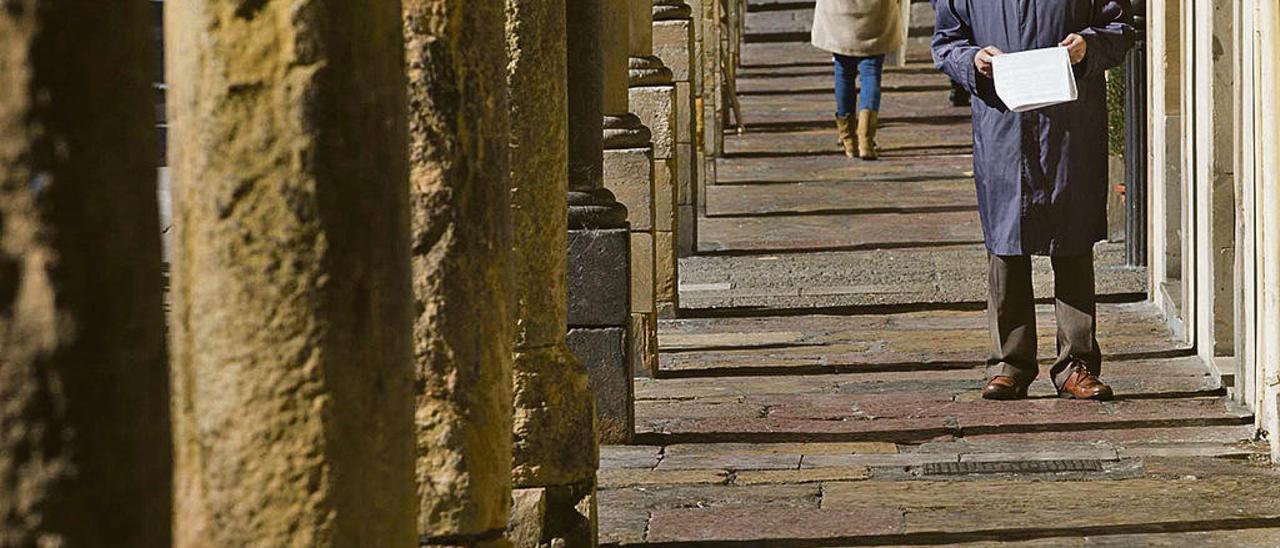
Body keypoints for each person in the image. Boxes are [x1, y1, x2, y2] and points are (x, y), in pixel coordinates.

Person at [931, 0, 1135, 400]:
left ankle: (1077, 364)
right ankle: (1009, 363)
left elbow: (1122, 28)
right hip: (1003, 128)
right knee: (1006, 244)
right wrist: (974, 60)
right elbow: (946, 43)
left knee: (1073, 240)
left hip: (1069, 127)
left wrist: (1087, 46)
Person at [812, 0, 903, 160]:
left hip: (839, 11)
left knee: (843, 73)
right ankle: (866, 140)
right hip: (876, 11)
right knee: (871, 73)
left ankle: (849, 141)